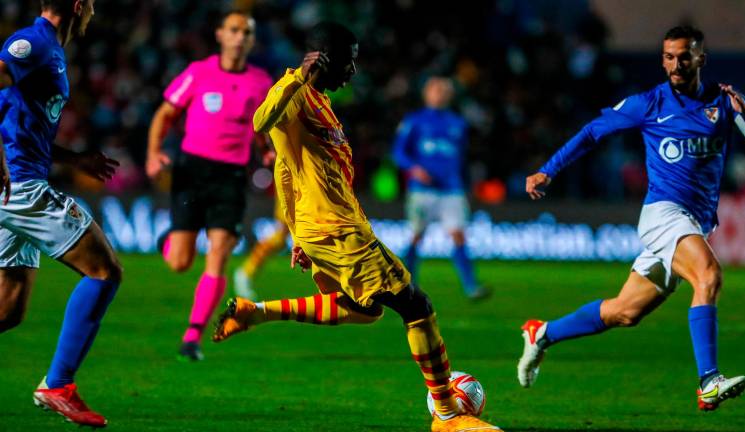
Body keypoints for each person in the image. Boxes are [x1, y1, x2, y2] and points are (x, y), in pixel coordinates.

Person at [213, 22, 502, 432]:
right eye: (348, 60)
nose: (352, 70)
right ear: (323, 59)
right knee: (415, 306)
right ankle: (447, 414)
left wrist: (298, 234)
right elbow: (262, 120)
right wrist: (298, 75)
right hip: (336, 230)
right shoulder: (295, 94)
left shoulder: (320, 103)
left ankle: (255, 312)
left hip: (328, 228)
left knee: (364, 310)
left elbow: (288, 172)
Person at [518, 26, 745, 411]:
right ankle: (708, 381)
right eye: (669, 57)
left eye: (685, 56)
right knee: (709, 275)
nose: (676, 64)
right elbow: (591, 133)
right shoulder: (649, 104)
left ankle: (541, 334)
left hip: (695, 222)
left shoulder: (723, 101)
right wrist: (548, 170)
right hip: (663, 214)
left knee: (625, 311)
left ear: (702, 58)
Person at [0, 0, 122, 427]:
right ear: (77, 6)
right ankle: (58, 384)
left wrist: (74, 159)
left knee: (8, 309)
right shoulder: (31, 44)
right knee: (105, 270)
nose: (92, 9)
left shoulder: (48, 48)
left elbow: (22, 125)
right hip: (20, 187)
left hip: (17, 184)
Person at [145, 10, 272, 361]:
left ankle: (192, 336)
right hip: (192, 170)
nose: (240, 37)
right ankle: (168, 244)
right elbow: (165, 113)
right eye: (233, 30)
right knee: (180, 263)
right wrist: (154, 153)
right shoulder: (199, 72)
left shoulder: (261, 82)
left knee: (219, 252)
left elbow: (261, 126)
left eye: (246, 32)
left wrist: (267, 152)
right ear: (220, 34)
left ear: (252, 39)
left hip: (231, 175)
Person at [392, 77, 488, 300]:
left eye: (444, 91)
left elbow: (462, 158)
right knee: (416, 236)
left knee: (459, 235)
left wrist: (467, 185)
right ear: (427, 94)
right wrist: (414, 169)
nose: (440, 94)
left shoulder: (458, 123)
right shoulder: (414, 121)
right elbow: (399, 153)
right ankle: (408, 285)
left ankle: (471, 287)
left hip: (451, 190)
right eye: (436, 90)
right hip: (421, 190)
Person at [233, 147, 290, 300]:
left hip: (304, 173)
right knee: (282, 234)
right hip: (294, 175)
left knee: (282, 236)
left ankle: (246, 272)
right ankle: (245, 272)